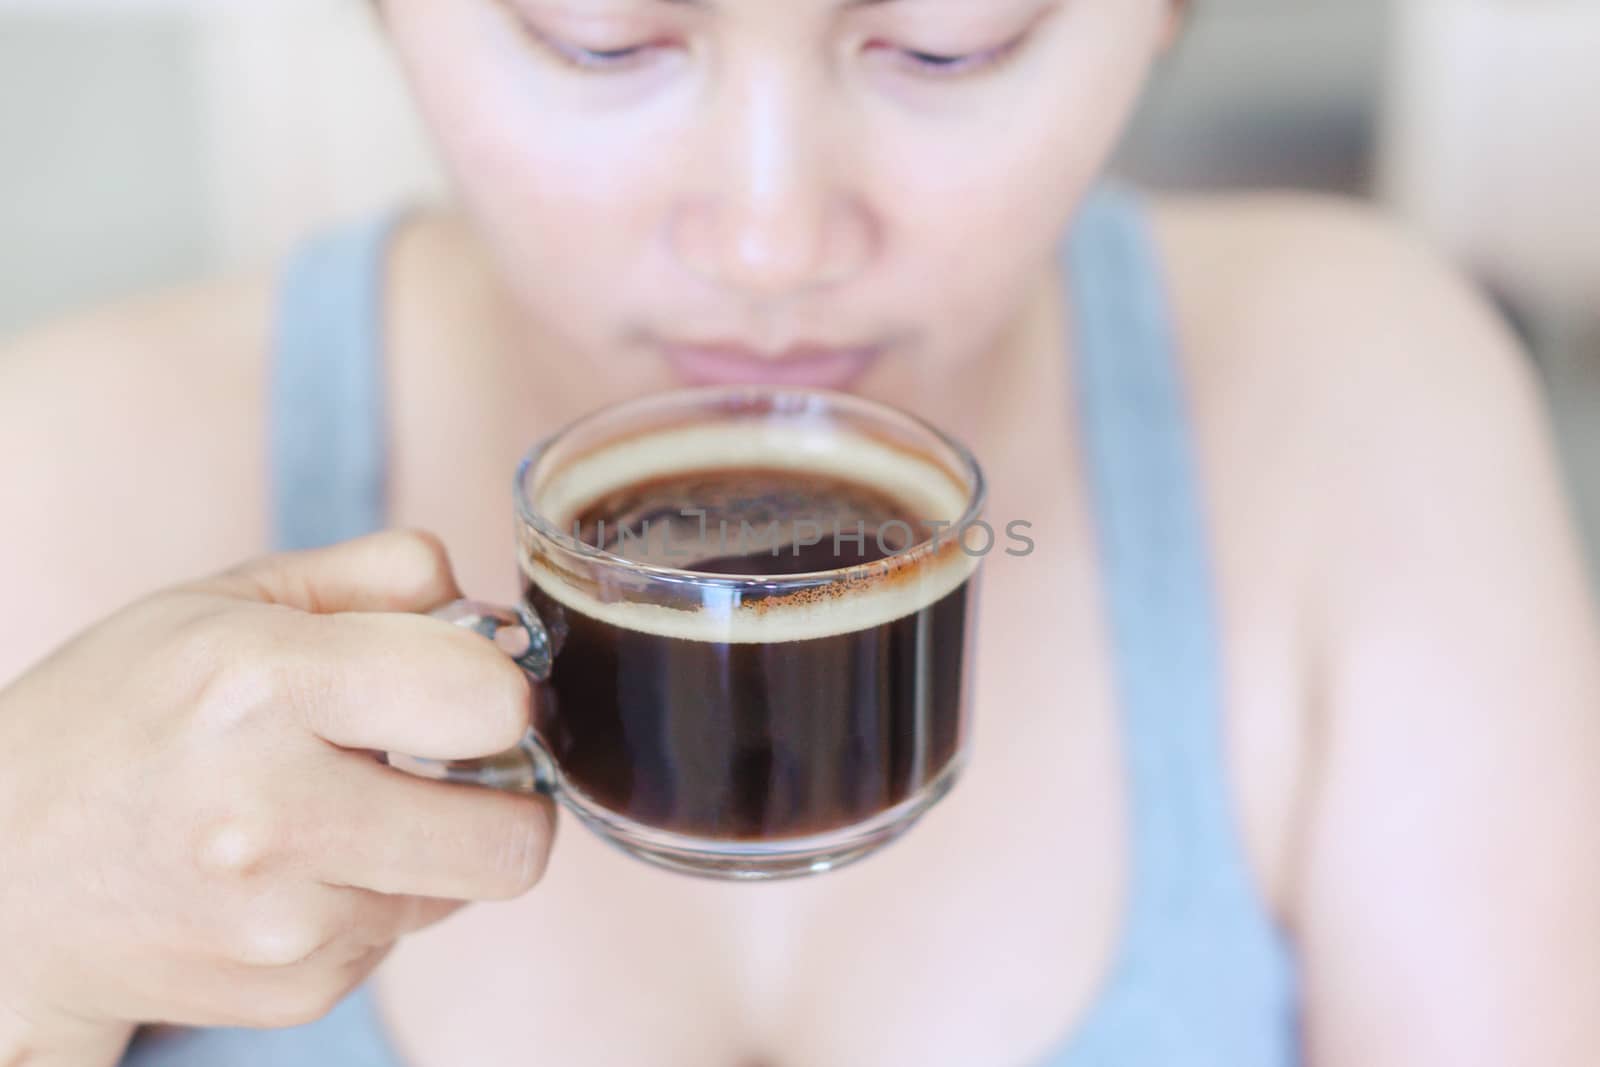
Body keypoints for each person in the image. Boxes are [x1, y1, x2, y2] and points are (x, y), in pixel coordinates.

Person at [1, 0, 1596, 1064]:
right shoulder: (67, 470)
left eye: (948, 47)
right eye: (602, 37)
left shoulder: (1364, 395)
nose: (771, 239)